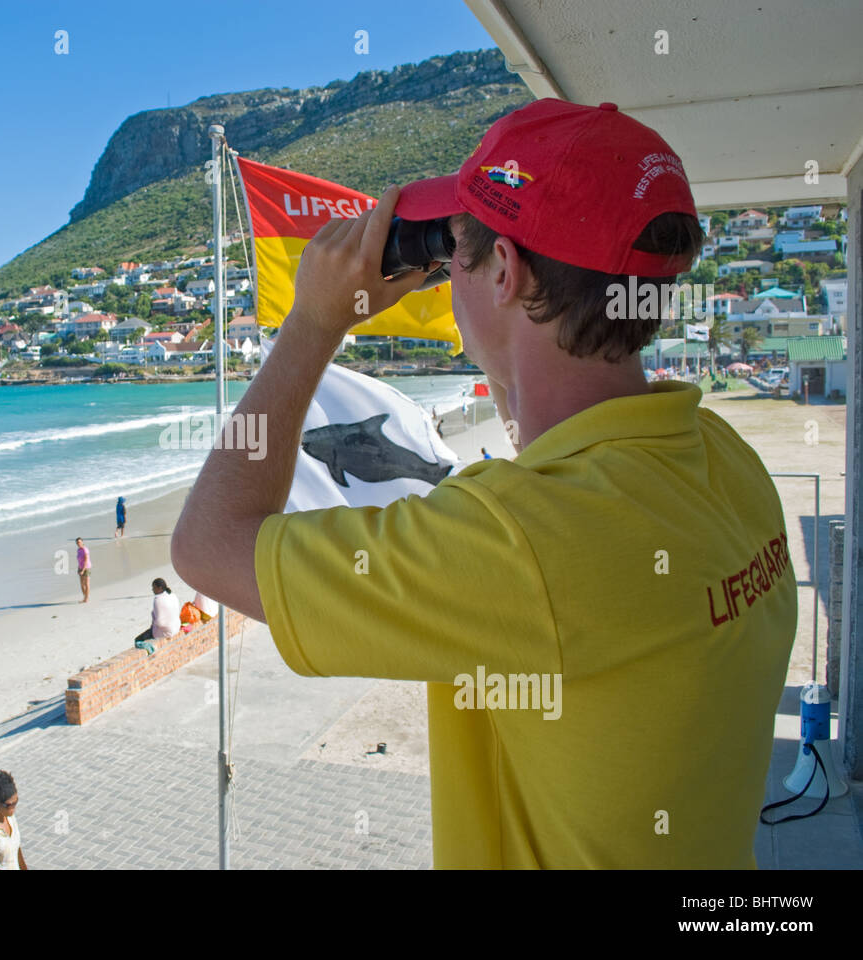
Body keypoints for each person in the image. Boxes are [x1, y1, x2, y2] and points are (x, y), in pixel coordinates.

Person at [170, 98, 796, 869]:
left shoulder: (520, 543)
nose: (441, 274)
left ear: (506, 271)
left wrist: (315, 323)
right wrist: (515, 378)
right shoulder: (725, 460)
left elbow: (207, 544)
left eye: (455, 249)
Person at [134, 578, 180, 655]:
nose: (152, 590)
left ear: (160, 588)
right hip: (176, 626)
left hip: (167, 631)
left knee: (138, 640)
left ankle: (150, 655)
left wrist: (153, 624)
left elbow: (160, 623)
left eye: (154, 587)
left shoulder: (158, 600)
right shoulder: (172, 595)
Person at [76, 537, 91, 603]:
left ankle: (86, 599)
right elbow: (79, 560)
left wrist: (83, 570)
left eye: (79, 542)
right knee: (82, 584)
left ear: (82, 542)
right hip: (80, 568)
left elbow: (86, 560)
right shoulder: (78, 550)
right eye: (77, 543)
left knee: (86, 584)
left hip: (86, 568)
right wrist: (79, 568)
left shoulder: (85, 549)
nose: (78, 543)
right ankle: (85, 597)